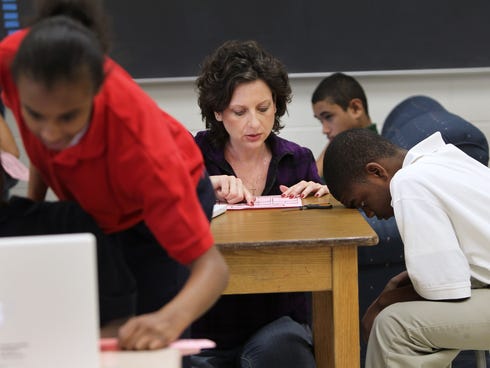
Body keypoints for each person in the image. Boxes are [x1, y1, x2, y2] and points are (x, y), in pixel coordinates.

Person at [0, 0, 228, 353]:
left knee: (147, 336)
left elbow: (212, 270)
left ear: (94, 93)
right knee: (86, 322)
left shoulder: (145, 155)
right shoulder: (18, 58)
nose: (48, 133)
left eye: (67, 118)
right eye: (34, 115)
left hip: (154, 209)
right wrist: (32, 207)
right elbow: (47, 156)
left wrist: (168, 320)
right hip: (95, 207)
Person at [191, 40, 328, 368]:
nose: (254, 124)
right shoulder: (191, 157)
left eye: (264, 108)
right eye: (239, 112)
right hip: (210, 317)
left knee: (277, 351)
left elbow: (320, 245)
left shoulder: (298, 159)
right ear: (218, 111)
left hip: (280, 317)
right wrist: (201, 188)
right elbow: (157, 213)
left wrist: (320, 198)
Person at [322, 128, 490, 368]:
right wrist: (396, 288)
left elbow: (447, 291)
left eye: (362, 202)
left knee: (391, 326)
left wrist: (381, 303)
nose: (369, 213)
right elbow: (463, 264)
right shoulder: (441, 157)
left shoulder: (407, 181)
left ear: (376, 172)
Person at [311, 72, 376, 177]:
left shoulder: (373, 154)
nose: (325, 130)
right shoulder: (341, 146)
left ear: (356, 109)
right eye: (321, 121)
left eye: (328, 117)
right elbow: (313, 178)